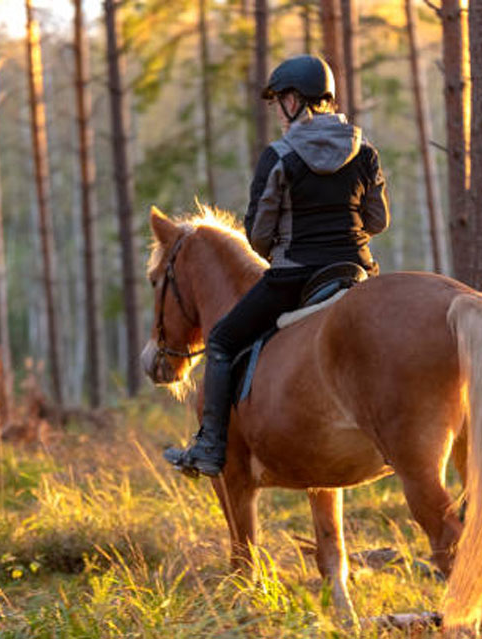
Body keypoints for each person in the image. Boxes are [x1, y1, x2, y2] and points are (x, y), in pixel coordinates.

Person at [163, 54, 390, 478]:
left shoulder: (280, 156)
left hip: (295, 278)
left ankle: (210, 446)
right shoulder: (366, 152)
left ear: (296, 100)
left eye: (280, 99)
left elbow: (258, 235)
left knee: (222, 341)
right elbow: (378, 221)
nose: (277, 109)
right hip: (355, 274)